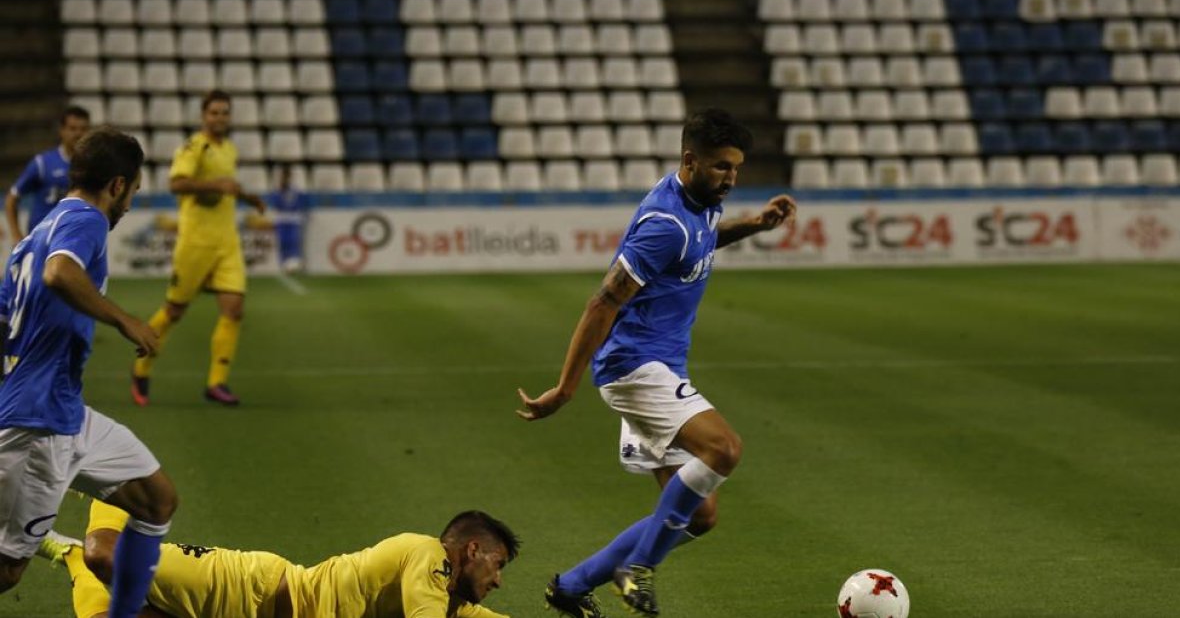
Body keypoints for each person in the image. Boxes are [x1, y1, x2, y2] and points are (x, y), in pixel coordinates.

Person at [517, 109, 797, 618]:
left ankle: (573, 586)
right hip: (635, 367)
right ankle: (637, 568)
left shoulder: (701, 198)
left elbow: (701, 243)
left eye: (736, 168)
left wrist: (754, 225)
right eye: (720, 168)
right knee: (725, 449)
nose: (730, 178)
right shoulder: (664, 225)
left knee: (697, 514)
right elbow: (602, 303)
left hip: (659, 365)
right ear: (690, 160)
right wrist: (564, 389)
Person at [0, 127, 178, 618]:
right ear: (117, 185)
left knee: (156, 501)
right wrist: (125, 319)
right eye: (135, 191)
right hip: (38, 423)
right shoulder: (86, 220)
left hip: (64, 410)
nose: (131, 204)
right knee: (8, 568)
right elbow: (61, 273)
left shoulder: (38, 232)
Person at [51, 498, 517, 618]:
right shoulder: (427, 556)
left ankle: (67, 555)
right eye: (497, 564)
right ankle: (111, 487)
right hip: (243, 588)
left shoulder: (445, 597)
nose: (497, 579)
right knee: (107, 556)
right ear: (472, 550)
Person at [130, 90, 265, 407]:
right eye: (214, 112)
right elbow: (177, 183)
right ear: (204, 116)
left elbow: (227, 185)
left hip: (226, 242)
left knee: (234, 310)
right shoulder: (194, 147)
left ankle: (216, 383)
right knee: (175, 311)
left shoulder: (228, 149)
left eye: (224, 112)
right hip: (195, 243)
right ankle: (141, 368)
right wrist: (215, 186)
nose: (220, 118)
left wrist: (249, 199)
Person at [6, 106, 91, 243]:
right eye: (73, 129)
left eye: (83, 129)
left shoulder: (93, 166)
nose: (78, 134)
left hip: (75, 242)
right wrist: (16, 235)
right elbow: (12, 198)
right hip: (42, 243)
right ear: (62, 131)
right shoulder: (43, 163)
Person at [267, 167, 308, 274]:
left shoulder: (296, 189)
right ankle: (284, 264)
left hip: (293, 219)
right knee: (283, 242)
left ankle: (294, 264)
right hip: (281, 219)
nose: (286, 178)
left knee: (293, 241)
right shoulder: (277, 190)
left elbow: (301, 201)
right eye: (284, 176)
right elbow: (275, 203)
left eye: (288, 176)